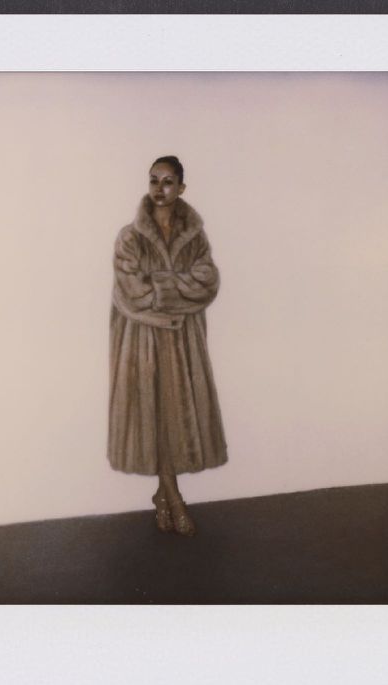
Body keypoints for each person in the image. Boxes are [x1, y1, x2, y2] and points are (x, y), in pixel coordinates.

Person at [108, 155, 228, 537]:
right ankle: (174, 499)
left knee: (174, 420)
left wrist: (160, 286)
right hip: (141, 342)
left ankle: (163, 496)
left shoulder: (195, 236)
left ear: (181, 188)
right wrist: (177, 288)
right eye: (153, 180)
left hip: (183, 342)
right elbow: (131, 292)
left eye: (168, 182)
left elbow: (207, 282)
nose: (159, 189)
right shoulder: (129, 237)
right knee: (154, 417)